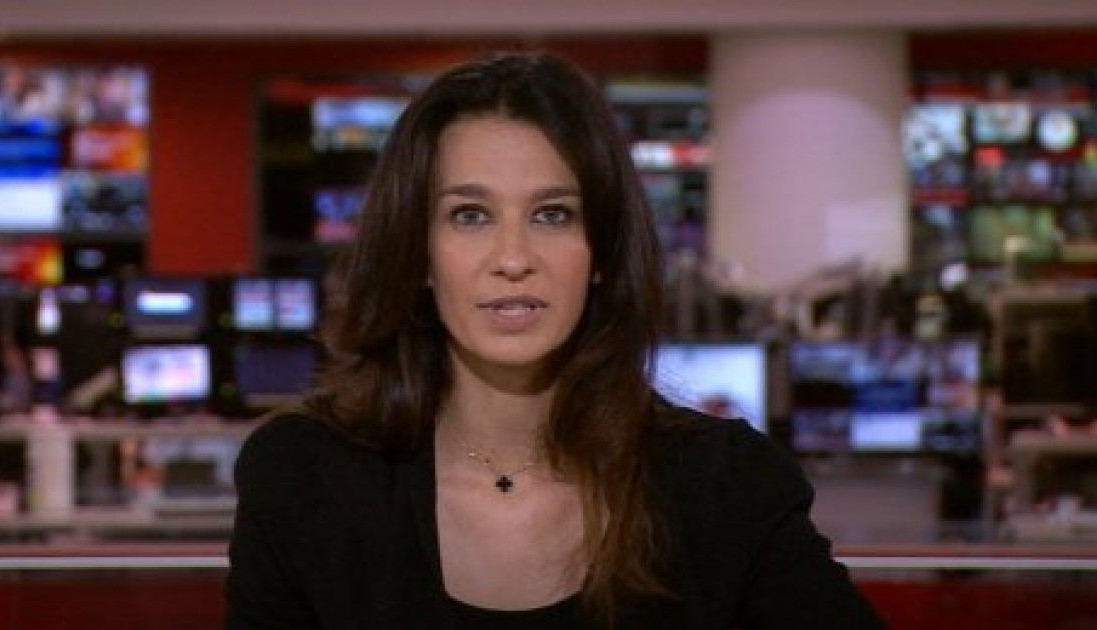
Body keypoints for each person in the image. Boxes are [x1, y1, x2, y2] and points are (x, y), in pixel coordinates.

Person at [224, 50, 886, 629]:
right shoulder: (301, 476)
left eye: (552, 214)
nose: (513, 258)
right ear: (419, 253)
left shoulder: (725, 485)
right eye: (470, 215)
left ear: (600, 252)